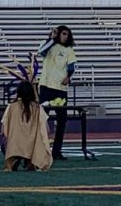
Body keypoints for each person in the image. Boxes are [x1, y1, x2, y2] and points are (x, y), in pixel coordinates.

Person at [37, 25, 76, 160]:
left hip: (60, 89)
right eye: (63, 33)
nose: (65, 36)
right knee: (42, 119)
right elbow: (40, 51)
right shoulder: (48, 45)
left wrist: (68, 77)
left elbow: (72, 66)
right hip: (46, 87)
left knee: (62, 120)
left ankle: (57, 151)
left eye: (67, 34)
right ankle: (39, 148)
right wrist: (52, 39)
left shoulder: (69, 50)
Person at [1, 80, 53, 171]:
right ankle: (31, 161)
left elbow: (3, 129)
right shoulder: (38, 108)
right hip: (32, 145)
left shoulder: (11, 107)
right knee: (37, 140)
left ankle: (14, 157)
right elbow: (46, 130)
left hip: (15, 145)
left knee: (5, 141)